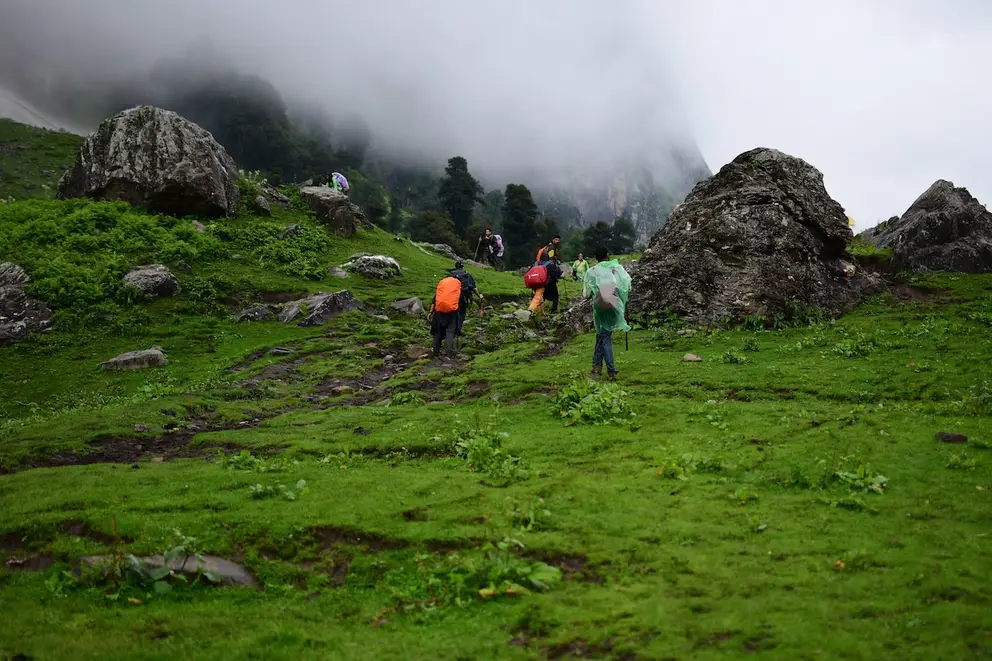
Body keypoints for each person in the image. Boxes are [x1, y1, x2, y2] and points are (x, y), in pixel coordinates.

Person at [582, 245, 632, 380]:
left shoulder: (592, 270)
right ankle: (611, 370)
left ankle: (597, 366)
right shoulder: (616, 268)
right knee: (604, 335)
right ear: (607, 255)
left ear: (596, 257)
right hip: (613, 301)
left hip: (599, 303)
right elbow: (627, 284)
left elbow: (586, 293)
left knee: (603, 334)